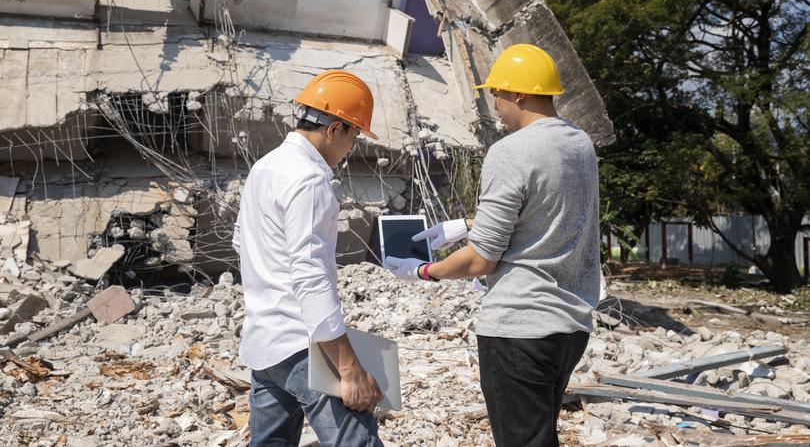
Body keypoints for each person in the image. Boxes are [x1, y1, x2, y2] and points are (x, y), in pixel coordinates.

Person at [384, 44, 600, 447]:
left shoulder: (510, 151)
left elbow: (482, 261)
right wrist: (467, 224)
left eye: (497, 94)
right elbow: (548, 212)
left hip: (520, 328)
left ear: (519, 94)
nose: (495, 104)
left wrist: (422, 271)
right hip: (570, 326)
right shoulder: (579, 144)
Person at [233, 70, 384, 446]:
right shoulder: (310, 179)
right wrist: (349, 369)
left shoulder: (265, 167)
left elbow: (242, 243)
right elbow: (310, 275)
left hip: (264, 344)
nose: (351, 149)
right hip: (303, 345)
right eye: (354, 136)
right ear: (335, 129)